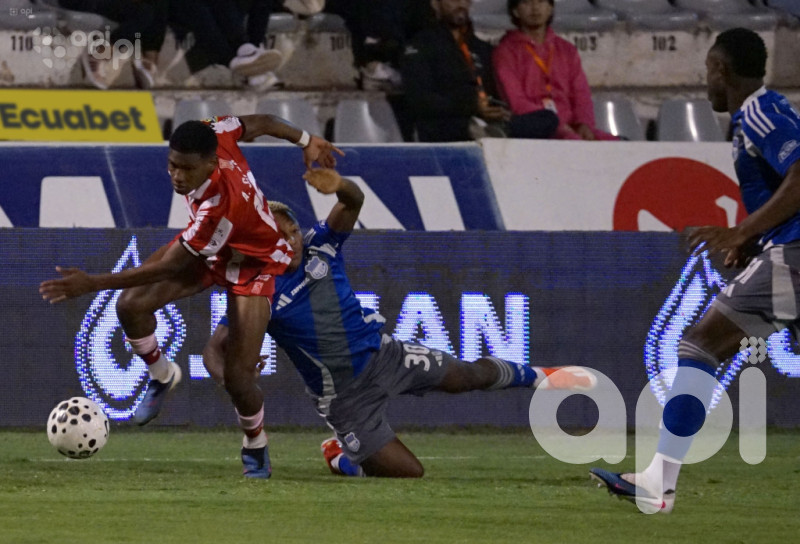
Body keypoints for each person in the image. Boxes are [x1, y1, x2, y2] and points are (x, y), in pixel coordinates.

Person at [203, 167, 598, 478]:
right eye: (279, 234)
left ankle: (542, 376)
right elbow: (212, 350)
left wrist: (341, 184)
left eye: (292, 230)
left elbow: (353, 201)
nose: (290, 239)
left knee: (468, 375)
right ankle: (343, 455)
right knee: (408, 473)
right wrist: (232, 381)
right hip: (345, 398)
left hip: (386, 355)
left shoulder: (321, 244)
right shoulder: (257, 288)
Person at [39, 114, 343, 479]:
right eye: (172, 165)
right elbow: (261, 122)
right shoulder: (217, 130)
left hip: (254, 265)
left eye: (186, 169)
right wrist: (306, 138)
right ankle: (162, 374)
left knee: (239, 378)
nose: (177, 176)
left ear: (212, 164)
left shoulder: (219, 210)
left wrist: (92, 283)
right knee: (130, 306)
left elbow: (167, 267)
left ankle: (255, 445)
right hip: (215, 251)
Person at [590, 28, 800, 513]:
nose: (706, 82)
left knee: (700, 343)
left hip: (796, 253)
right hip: (785, 246)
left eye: (708, 71)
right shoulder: (765, 114)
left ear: (721, 71)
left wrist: (744, 231)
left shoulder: (760, 111)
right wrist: (753, 239)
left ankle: (658, 482)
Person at [492, 0, 616, 140]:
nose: (535, 8)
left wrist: (584, 124)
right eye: (527, 2)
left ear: (550, 8)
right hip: (537, 130)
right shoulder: (505, 51)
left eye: (541, 1)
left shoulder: (566, 50)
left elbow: (581, 94)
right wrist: (559, 126)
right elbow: (516, 102)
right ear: (515, 11)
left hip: (572, 127)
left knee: (622, 145)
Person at [399, 0, 512, 142]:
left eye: (465, 0)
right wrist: (471, 106)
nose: (461, 5)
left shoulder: (483, 48)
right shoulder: (420, 45)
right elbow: (420, 101)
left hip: (490, 130)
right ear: (435, 4)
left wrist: (497, 110)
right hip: (443, 136)